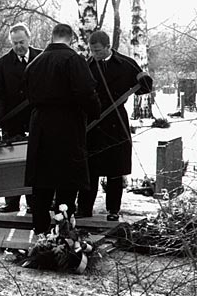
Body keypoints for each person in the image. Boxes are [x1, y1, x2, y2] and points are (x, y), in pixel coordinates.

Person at [24, 24, 101, 236]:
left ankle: (40, 231)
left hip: (40, 126)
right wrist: (95, 111)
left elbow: (29, 95)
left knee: (41, 184)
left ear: (53, 37)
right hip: (67, 126)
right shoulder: (74, 60)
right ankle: (63, 233)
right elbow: (86, 92)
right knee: (67, 183)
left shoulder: (34, 63)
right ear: (71, 38)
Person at [77, 30, 153, 221]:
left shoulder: (125, 63)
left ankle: (113, 210)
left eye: (98, 51)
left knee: (115, 170)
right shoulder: (87, 66)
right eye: (92, 51)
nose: (95, 55)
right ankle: (85, 208)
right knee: (90, 169)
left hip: (116, 121)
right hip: (92, 124)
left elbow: (143, 88)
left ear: (108, 46)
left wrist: (144, 80)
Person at [0, 23, 42, 214]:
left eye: (21, 42)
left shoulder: (42, 58)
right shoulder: (1, 65)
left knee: (36, 161)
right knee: (12, 162)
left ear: (29, 38)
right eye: (14, 43)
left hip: (38, 120)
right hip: (12, 121)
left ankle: (35, 202)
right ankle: (11, 201)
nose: (19, 46)